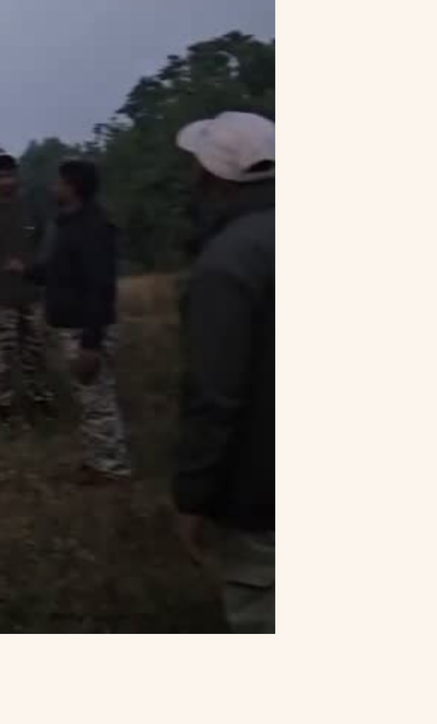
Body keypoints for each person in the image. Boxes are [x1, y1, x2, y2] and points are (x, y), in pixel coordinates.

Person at [171, 111, 274, 633]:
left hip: (262, 496)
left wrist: (192, 498)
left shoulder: (227, 263)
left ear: (212, 177)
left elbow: (215, 396)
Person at [11, 159, 130, 482]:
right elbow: (57, 272)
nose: (54, 187)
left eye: (59, 182)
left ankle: (113, 469)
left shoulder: (93, 229)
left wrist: (91, 343)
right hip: (71, 326)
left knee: (97, 398)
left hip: (86, 329)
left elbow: (101, 287)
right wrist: (29, 272)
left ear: (73, 187)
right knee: (88, 398)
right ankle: (98, 460)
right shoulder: (68, 225)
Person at [0, 154, 54, 428]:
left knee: (35, 350)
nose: (6, 181)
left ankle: (39, 398)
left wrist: (35, 271)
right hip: (0, 294)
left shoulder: (31, 209)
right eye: (0, 176)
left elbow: (41, 243)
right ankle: (1, 404)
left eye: (10, 175)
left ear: (18, 176)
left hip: (30, 292)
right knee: (0, 352)